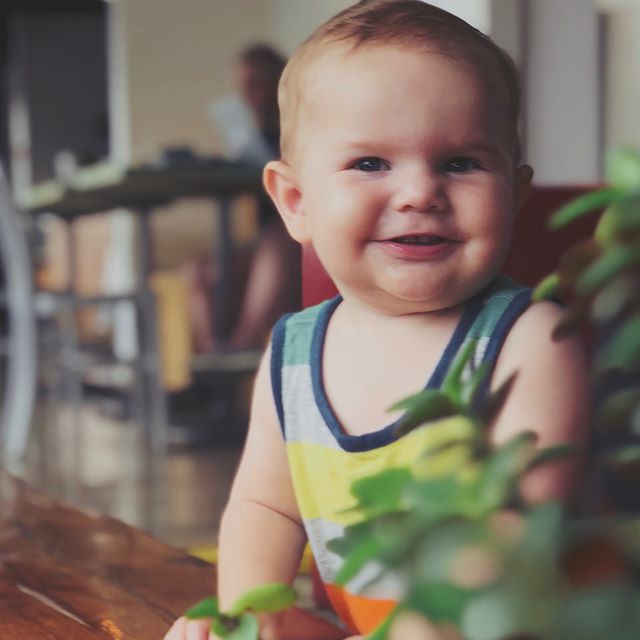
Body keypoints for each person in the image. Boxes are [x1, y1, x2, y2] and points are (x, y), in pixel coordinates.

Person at [165, 1, 589, 638]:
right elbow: (264, 508)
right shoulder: (293, 355)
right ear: (297, 202)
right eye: (370, 163)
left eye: (460, 163)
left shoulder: (528, 342)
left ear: (515, 194)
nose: (420, 191)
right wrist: (254, 617)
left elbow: (516, 531)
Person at [185, 44, 300, 354]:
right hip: (267, 240)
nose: (251, 94)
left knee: (277, 240)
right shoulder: (250, 134)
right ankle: (215, 356)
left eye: (258, 84)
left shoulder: (301, 126)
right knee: (200, 271)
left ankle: (245, 343)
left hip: (297, 237)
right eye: (246, 87)